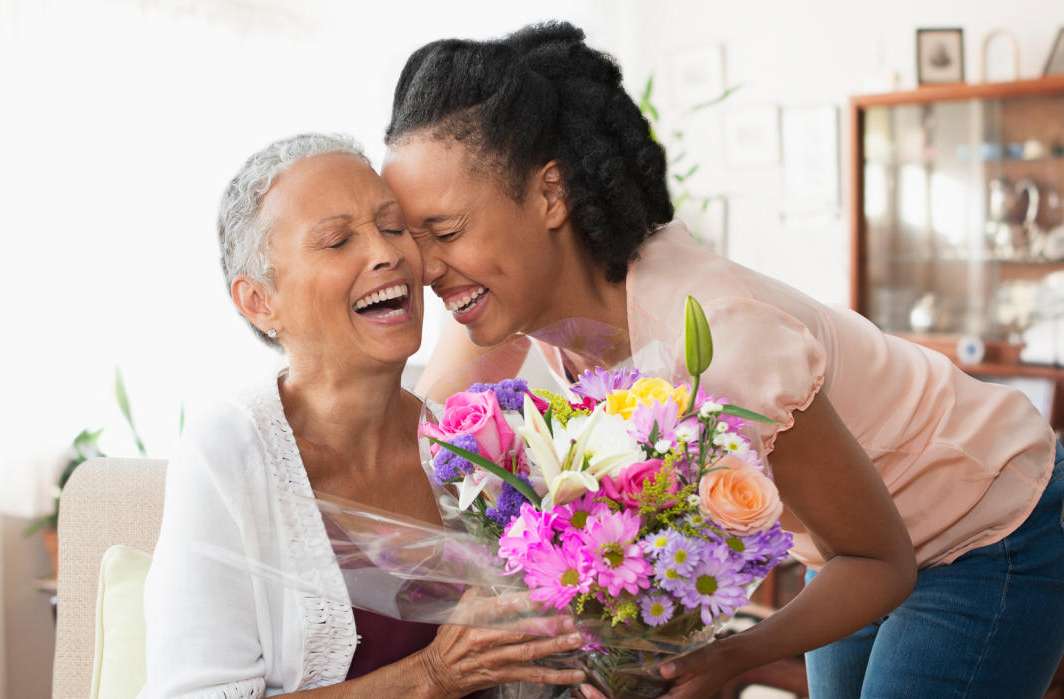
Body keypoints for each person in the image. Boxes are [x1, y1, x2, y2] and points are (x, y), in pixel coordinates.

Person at [379, 22, 1064, 699]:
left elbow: (879, 561)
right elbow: (413, 447)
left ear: (551, 194)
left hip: (986, 516)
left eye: (445, 230)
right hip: (845, 542)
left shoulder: (719, 338)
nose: (430, 267)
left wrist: (731, 658)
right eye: (413, 239)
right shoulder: (509, 304)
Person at [139, 133, 588, 698]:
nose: (388, 253)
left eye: (394, 226)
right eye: (336, 240)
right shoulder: (228, 449)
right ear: (259, 300)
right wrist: (433, 677)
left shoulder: (471, 442)